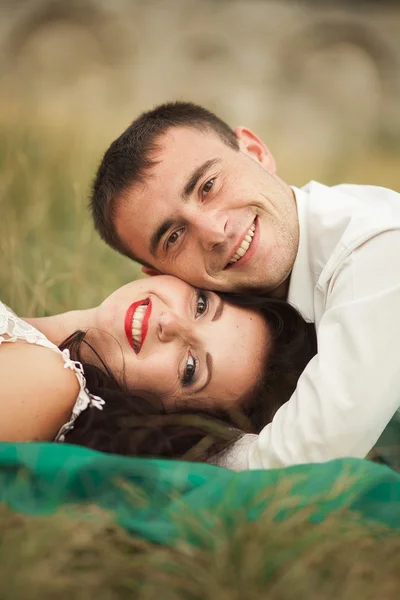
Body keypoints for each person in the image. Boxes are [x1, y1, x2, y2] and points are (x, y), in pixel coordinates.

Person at [89, 101, 400, 470]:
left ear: (256, 152)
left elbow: (304, 458)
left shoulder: (379, 246)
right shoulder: (219, 331)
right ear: (161, 275)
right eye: (173, 237)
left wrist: (184, 451)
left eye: (208, 186)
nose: (214, 232)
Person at [0, 275, 316, 461]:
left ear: (163, 414)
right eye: (202, 306)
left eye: (190, 368)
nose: (170, 323)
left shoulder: (50, 383)